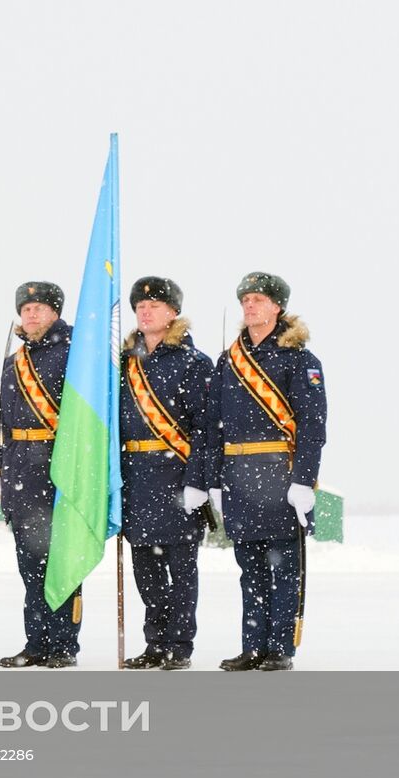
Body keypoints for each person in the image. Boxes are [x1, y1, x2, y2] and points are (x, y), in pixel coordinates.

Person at [205, 272, 327, 672]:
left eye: (258, 299)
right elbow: (214, 425)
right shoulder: (229, 360)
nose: (250, 305)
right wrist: (215, 480)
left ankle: (279, 648)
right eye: (245, 300)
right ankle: (252, 646)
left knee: (282, 568)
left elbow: (312, 426)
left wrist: (304, 480)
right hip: (238, 476)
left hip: (279, 475)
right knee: (250, 571)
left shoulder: (300, 360)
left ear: (278, 307)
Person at [117, 277, 214, 670]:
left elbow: (205, 430)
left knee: (181, 569)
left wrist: (198, 481)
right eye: (139, 305)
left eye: (154, 305)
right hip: (136, 478)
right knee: (146, 568)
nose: (144, 310)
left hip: (176, 476)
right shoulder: (124, 364)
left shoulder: (194, 363)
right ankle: (155, 642)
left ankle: (180, 644)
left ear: (173, 312)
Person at [0, 282, 82, 668]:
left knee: (62, 563)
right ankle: (37, 643)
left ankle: (64, 644)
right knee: (31, 567)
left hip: (59, 470)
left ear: (55, 313)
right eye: (26, 309)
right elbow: (4, 420)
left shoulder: (76, 354)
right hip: (20, 470)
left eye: (40, 308)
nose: (32, 315)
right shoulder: (14, 361)